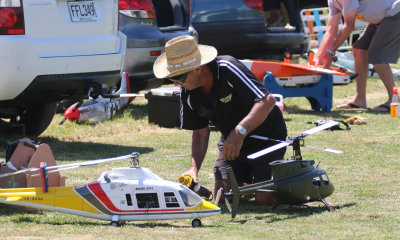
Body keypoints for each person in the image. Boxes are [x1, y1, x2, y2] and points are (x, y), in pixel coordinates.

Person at [153, 36, 287, 205]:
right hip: (232, 144)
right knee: (224, 198)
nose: (176, 84)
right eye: (172, 78)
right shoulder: (187, 92)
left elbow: (267, 101)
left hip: (266, 139)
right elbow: (200, 133)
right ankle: (250, 182)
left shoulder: (227, 67)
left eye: (180, 77)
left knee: (264, 200)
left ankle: (272, 182)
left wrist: (239, 132)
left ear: (198, 68)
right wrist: (193, 170)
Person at [314, 0, 400, 112]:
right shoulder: (332, 1)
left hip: (394, 12)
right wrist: (318, 57)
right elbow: (331, 28)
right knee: (359, 50)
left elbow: (349, 26)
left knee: (376, 56)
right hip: (380, 18)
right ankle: (360, 100)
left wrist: (331, 51)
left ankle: (395, 101)